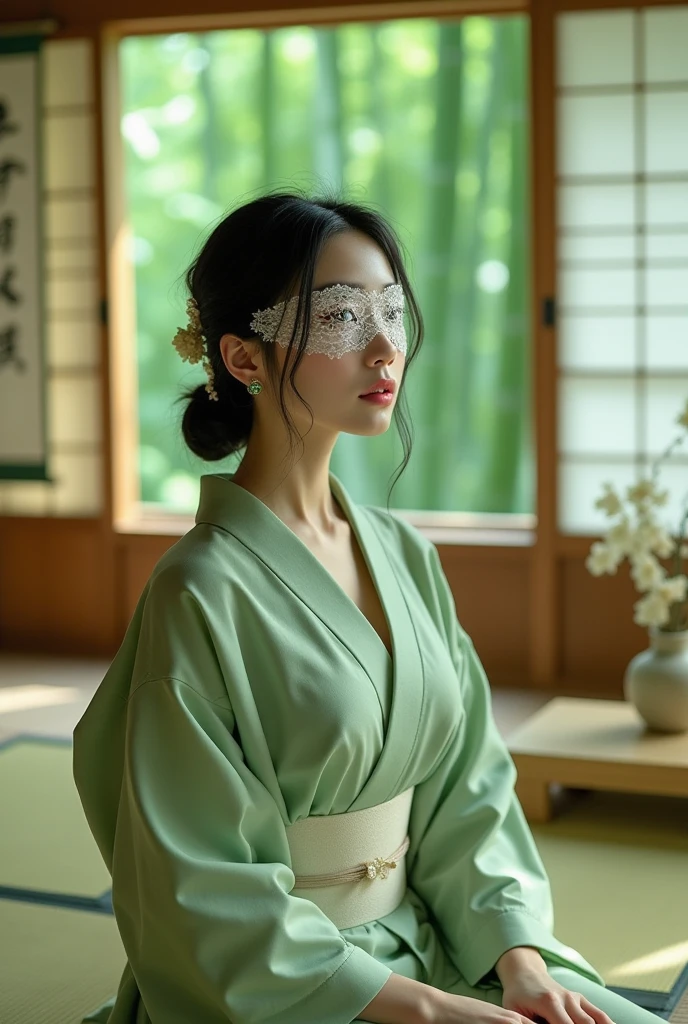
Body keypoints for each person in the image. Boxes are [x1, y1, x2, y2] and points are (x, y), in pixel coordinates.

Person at [73, 191, 662, 1024]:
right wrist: (428, 1011)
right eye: (342, 316)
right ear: (242, 357)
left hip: (443, 943)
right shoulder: (198, 592)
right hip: (299, 986)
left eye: (391, 310)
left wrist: (517, 958)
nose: (386, 346)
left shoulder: (403, 554)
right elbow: (196, 886)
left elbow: (467, 787)